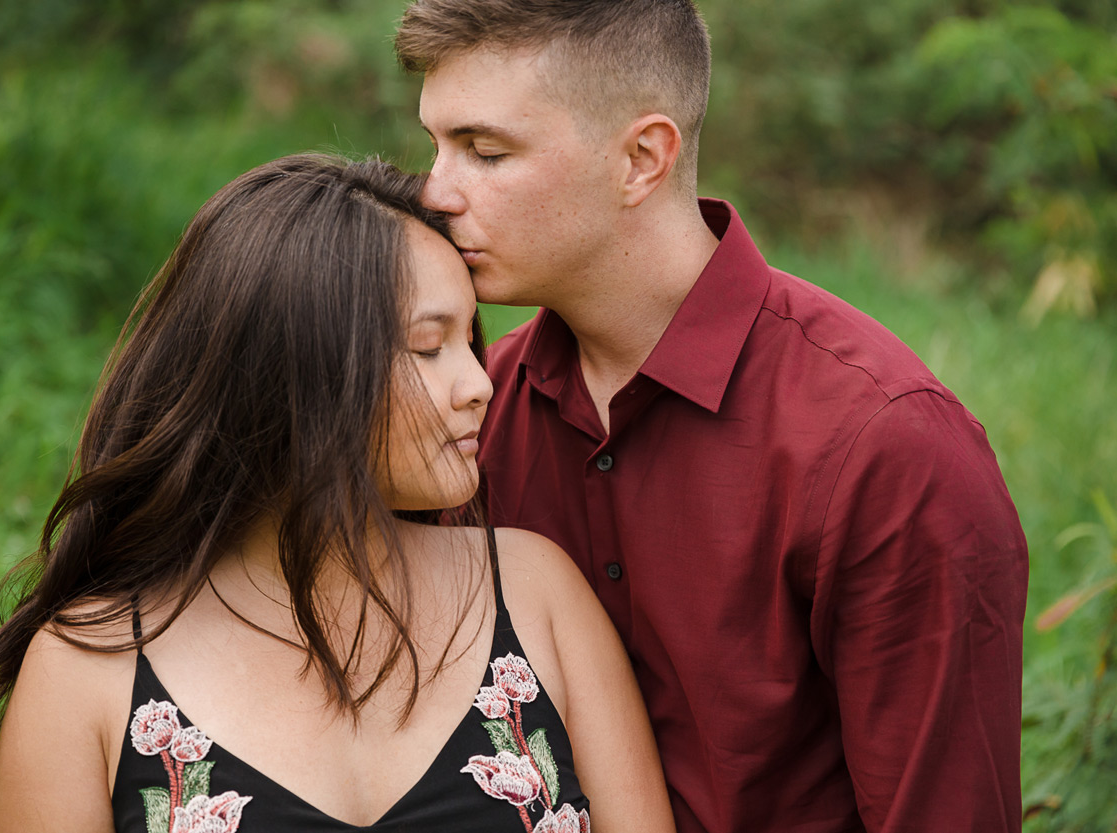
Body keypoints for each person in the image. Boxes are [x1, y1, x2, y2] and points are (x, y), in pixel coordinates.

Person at [394, 2, 1029, 831]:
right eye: (435, 146)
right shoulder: (470, 412)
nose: (434, 191)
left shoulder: (885, 449)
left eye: (485, 151)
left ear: (641, 159)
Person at [0, 154, 676, 833]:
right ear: (299, 372)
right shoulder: (90, 668)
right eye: (429, 347)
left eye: (470, 341)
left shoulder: (533, 591)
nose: (478, 384)